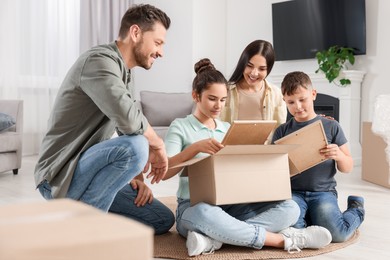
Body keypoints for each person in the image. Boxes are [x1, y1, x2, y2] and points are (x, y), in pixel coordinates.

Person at [163, 58, 332, 256]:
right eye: (212, 98)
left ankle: (214, 238)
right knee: (206, 213)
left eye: (223, 100)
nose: (219, 106)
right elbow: (165, 172)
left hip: (229, 204)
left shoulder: (227, 129)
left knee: (290, 208)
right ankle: (282, 240)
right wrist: (194, 148)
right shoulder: (180, 126)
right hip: (193, 206)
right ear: (195, 96)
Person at [34, 4, 174, 235]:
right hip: (60, 177)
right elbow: (130, 121)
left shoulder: (125, 72)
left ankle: (86, 215)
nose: (161, 52)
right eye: (158, 43)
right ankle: (83, 232)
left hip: (88, 172)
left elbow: (124, 127)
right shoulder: (99, 61)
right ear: (136, 33)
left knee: (160, 219)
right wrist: (157, 144)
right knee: (138, 145)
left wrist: (137, 177)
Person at [271, 71, 365, 242]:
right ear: (284, 102)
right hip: (293, 193)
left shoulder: (331, 126)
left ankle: (356, 209)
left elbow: (348, 167)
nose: (298, 107)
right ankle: (310, 218)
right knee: (293, 231)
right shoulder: (282, 131)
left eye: (302, 100)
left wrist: (339, 156)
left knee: (338, 235)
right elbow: (273, 168)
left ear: (313, 95)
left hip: (323, 192)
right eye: (291, 102)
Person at [220, 40, 286, 142]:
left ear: (268, 70)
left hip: (265, 155)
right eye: (249, 66)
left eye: (262, 69)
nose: (254, 73)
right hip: (231, 154)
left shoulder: (276, 94)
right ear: (243, 63)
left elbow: (281, 133)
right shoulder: (225, 91)